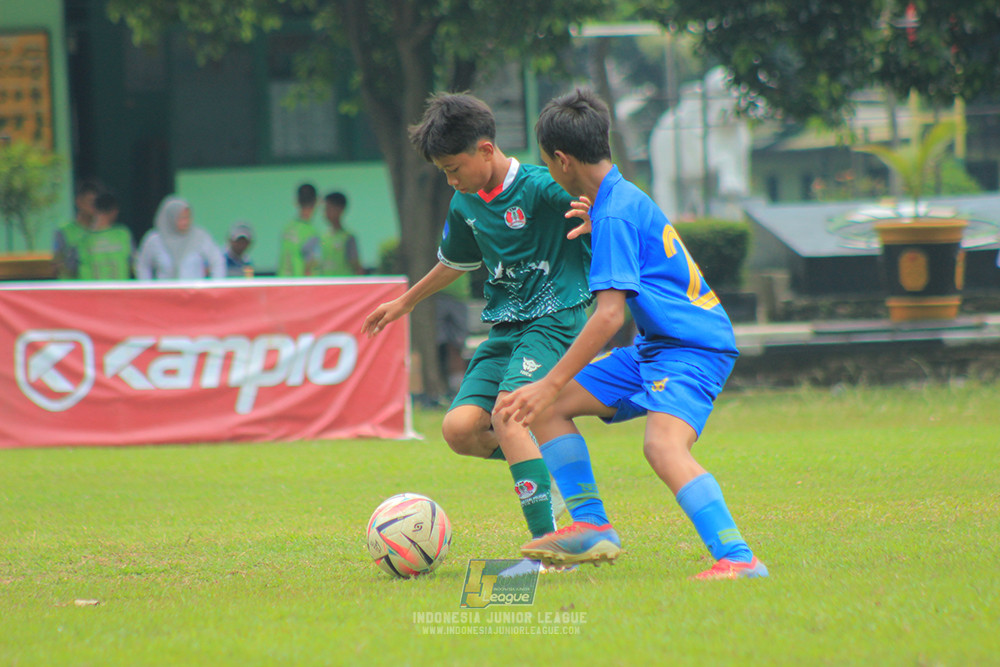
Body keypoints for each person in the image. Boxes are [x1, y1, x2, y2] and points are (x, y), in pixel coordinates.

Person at [495, 89, 768, 581]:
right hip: (653, 348)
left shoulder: (615, 211)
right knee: (551, 411)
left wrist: (549, 380)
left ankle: (739, 558)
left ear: (560, 161)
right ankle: (591, 524)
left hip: (693, 350)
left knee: (661, 446)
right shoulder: (614, 203)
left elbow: (607, 318)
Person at [362, 93, 596, 555]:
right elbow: (455, 263)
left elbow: (597, 205)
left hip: (554, 319)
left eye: (453, 168)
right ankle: (544, 472)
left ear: (486, 150)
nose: (450, 180)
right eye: (444, 172)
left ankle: (551, 546)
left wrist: (597, 219)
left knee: (508, 414)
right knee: (459, 430)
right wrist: (405, 302)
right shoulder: (465, 205)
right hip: (506, 330)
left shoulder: (541, 186)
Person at [135, 195, 226, 280]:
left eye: (188, 217)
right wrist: (148, 288)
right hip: (165, 294)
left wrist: (215, 286)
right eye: (181, 218)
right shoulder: (154, 240)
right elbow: (142, 265)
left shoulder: (199, 236)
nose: (186, 222)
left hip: (193, 293)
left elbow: (217, 261)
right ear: (170, 218)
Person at [78, 192, 134, 280]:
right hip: (119, 290)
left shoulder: (82, 240)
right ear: (114, 212)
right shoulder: (123, 234)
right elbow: (133, 262)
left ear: (94, 210)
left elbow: (71, 267)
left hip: (92, 292)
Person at [53, 180, 101, 279]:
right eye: (90, 202)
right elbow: (57, 263)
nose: (94, 207)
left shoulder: (105, 231)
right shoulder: (64, 231)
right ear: (79, 202)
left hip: (98, 289)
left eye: (97, 203)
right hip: (72, 289)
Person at [278, 183, 321, 277]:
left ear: (296, 201)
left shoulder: (287, 229)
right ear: (316, 202)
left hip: (282, 284)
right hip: (299, 286)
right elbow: (311, 265)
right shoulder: (311, 233)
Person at [319, 192, 364, 276]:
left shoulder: (348, 238)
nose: (325, 213)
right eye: (324, 209)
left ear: (340, 209)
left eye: (329, 208)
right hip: (326, 286)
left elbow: (356, 266)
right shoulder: (321, 237)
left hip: (344, 286)